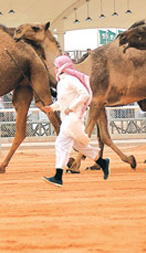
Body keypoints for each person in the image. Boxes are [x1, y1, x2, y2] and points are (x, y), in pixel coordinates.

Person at [39, 55, 109, 188]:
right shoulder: (62, 82)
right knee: (79, 146)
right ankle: (103, 163)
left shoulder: (71, 80)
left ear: (61, 66)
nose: (55, 68)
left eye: (56, 65)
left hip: (73, 118)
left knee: (61, 144)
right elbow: (62, 102)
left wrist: (71, 108)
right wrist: (51, 108)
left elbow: (85, 94)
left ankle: (58, 176)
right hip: (68, 119)